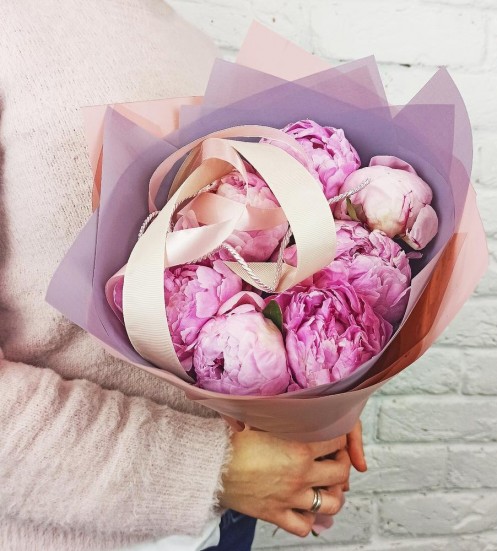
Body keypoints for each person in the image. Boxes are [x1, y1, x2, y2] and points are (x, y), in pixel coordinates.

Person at [0, 1, 367, 550]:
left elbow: (235, 262)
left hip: (223, 523)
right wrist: (215, 467)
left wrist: (315, 387)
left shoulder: (191, 44)